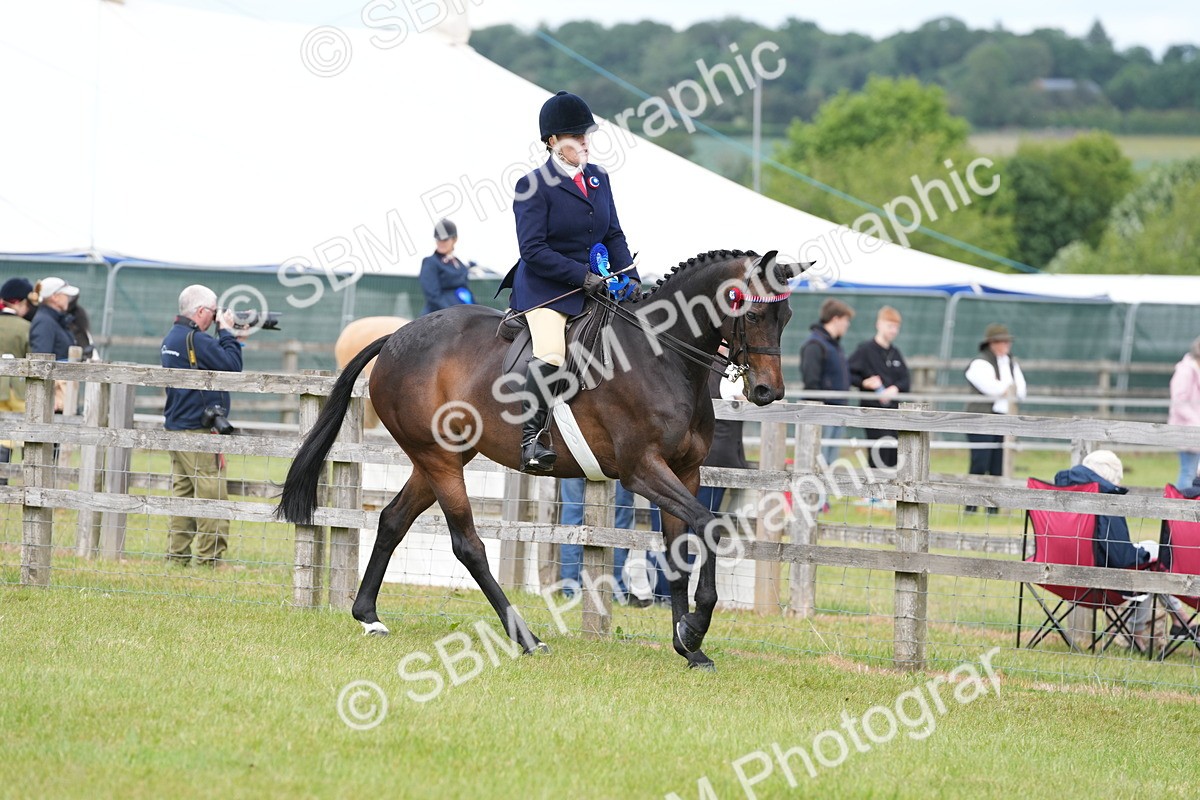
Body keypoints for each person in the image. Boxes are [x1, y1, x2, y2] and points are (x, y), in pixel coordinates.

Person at [499, 90, 640, 473]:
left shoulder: (598, 178)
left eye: (586, 136)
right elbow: (533, 250)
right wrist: (582, 276)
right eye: (576, 137)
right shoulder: (533, 185)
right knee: (552, 354)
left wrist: (629, 277)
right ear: (552, 142)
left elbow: (613, 233)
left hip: (598, 282)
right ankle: (532, 439)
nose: (584, 142)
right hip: (548, 289)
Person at [649, 352, 748, 603]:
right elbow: (742, 402)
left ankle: (662, 591)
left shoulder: (682, 364)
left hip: (677, 458)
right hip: (711, 459)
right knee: (692, 528)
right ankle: (667, 592)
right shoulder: (727, 372)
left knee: (667, 527)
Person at [161, 285, 244, 566]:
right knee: (212, 496)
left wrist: (227, 336)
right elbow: (232, 368)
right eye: (213, 311)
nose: (215, 316)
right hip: (198, 432)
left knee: (183, 496)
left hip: (176, 427)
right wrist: (227, 332)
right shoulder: (197, 340)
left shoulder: (172, 337)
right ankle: (210, 560)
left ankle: (177, 556)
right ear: (200, 312)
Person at [1054, 450, 1169, 652]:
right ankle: (1136, 634)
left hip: (1055, 572)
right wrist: (1145, 556)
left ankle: (1178, 621)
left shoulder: (1058, 489)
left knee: (1152, 553)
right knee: (1156, 560)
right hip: (1098, 579)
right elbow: (1121, 558)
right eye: (1117, 478)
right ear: (1108, 474)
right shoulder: (1105, 495)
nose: (1117, 483)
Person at [964, 323, 1026, 512]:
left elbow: (1020, 391)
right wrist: (1007, 390)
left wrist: (1007, 390)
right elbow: (992, 389)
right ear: (991, 343)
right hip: (981, 420)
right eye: (1001, 341)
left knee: (998, 465)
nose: (1006, 345)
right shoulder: (979, 363)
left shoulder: (1011, 363)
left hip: (1003, 419)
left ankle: (993, 509)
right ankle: (972, 506)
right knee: (980, 463)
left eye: (1007, 341)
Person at [558, 479, 645, 604]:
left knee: (573, 516)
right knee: (619, 519)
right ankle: (616, 592)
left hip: (575, 461)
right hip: (613, 464)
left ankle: (571, 591)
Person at [848, 306, 910, 469]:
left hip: (894, 414)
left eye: (896, 327)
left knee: (895, 456)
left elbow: (906, 380)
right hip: (873, 413)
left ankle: (890, 495)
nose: (894, 331)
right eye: (890, 326)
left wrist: (895, 389)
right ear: (879, 324)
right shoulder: (865, 350)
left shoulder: (895, 353)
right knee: (879, 455)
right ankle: (874, 494)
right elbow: (849, 374)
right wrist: (864, 383)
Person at [800, 298, 854, 466]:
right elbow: (811, 381)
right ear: (836, 319)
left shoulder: (834, 346)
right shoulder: (815, 344)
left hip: (837, 410)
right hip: (823, 413)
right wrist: (819, 409)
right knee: (818, 462)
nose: (847, 325)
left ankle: (824, 493)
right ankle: (815, 494)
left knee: (830, 463)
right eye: (846, 320)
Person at [0, 277, 33, 485]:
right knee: (23, 433)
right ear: (20, 302)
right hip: (16, 388)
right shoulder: (26, 327)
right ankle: (29, 479)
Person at [418, 219, 474, 316]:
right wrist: (453, 314)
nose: (441, 243)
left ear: (454, 239)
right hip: (439, 315)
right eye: (438, 239)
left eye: (445, 239)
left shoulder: (459, 264)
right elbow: (433, 296)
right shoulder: (430, 262)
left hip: (462, 313)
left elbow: (466, 292)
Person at [1168, 336, 1200, 490]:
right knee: (1188, 472)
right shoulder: (1186, 371)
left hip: (1195, 428)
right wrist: (1196, 421)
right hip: (1187, 428)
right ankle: (1180, 510)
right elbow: (1179, 402)